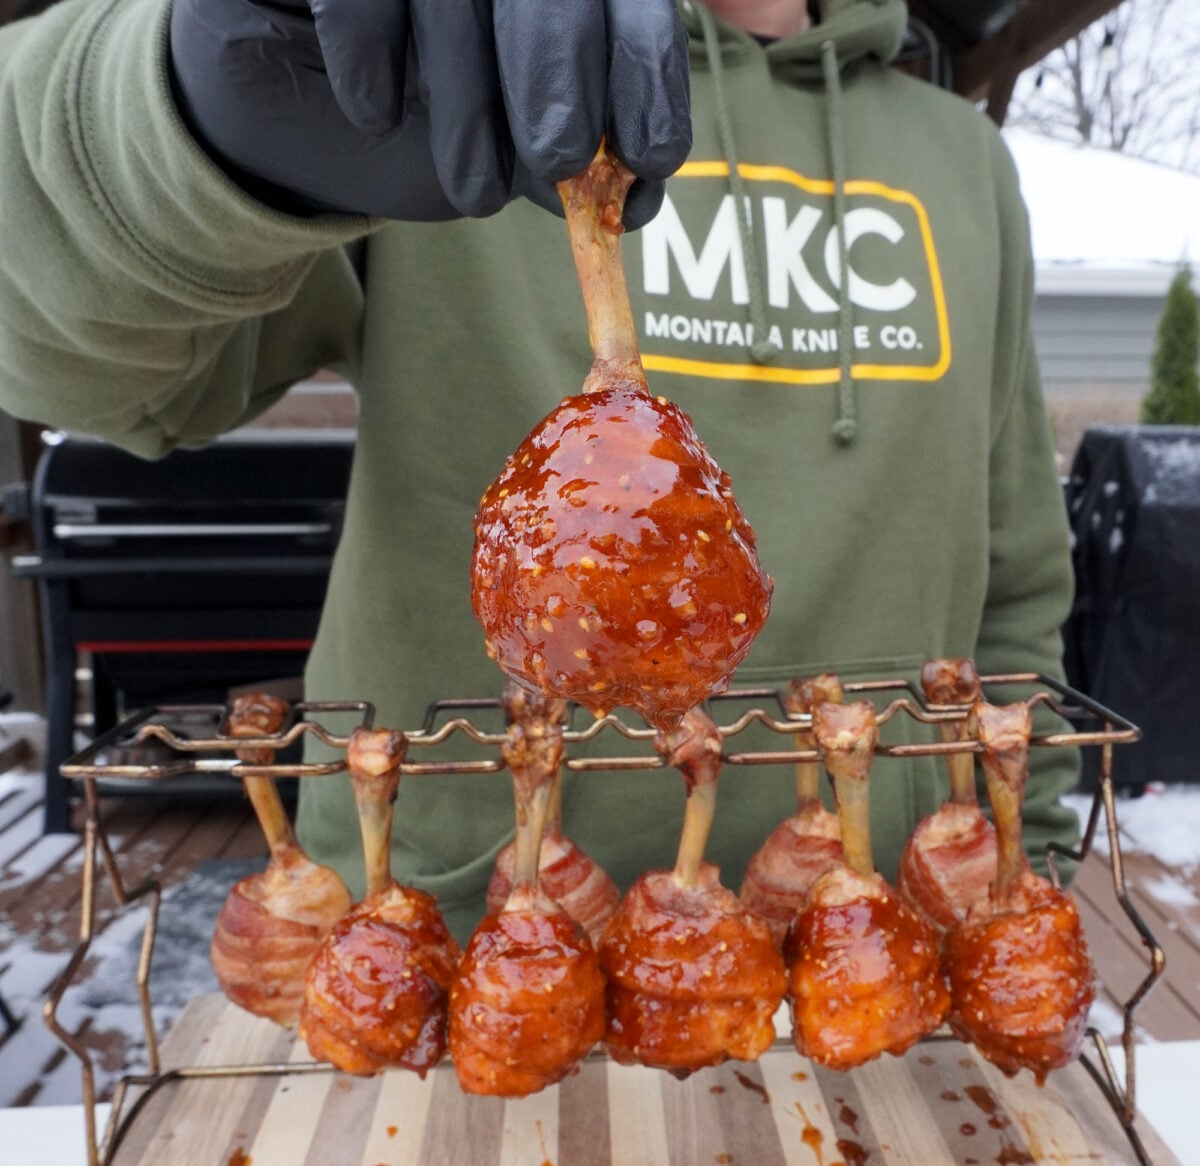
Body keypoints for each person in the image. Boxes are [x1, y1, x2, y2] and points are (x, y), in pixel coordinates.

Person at [0, 0, 1080, 943]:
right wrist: (189, 118)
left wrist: (1031, 878)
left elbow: (1017, 568)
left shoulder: (962, 158)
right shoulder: (429, 81)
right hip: (442, 945)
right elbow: (72, 369)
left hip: (885, 945)